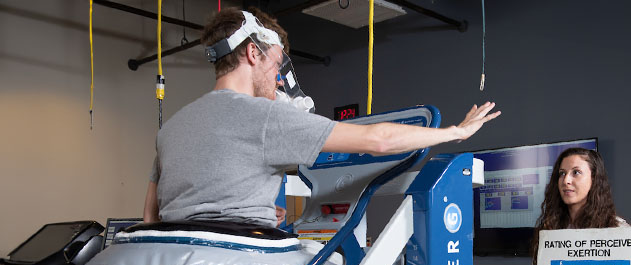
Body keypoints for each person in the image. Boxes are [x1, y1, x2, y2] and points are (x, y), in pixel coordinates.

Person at [143, 7, 500, 225]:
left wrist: (252, 213)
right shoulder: (265, 116)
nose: (279, 77)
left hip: (178, 263)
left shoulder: (170, 128)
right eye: (276, 62)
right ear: (254, 53)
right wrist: (456, 131)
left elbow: (152, 217)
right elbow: (379, 140)